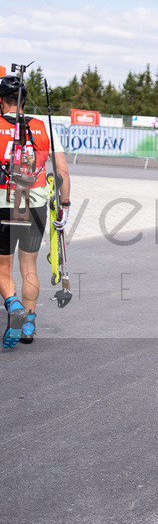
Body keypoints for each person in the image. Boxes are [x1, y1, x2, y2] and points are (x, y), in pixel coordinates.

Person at [0, 74, 71, 347]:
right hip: (37, 205)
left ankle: (14, 305)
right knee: (29, 266)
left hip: (5, 205)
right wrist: (64, 206)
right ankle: (28, 323)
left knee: (2, 267)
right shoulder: (44, 127)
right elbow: (62, 172)